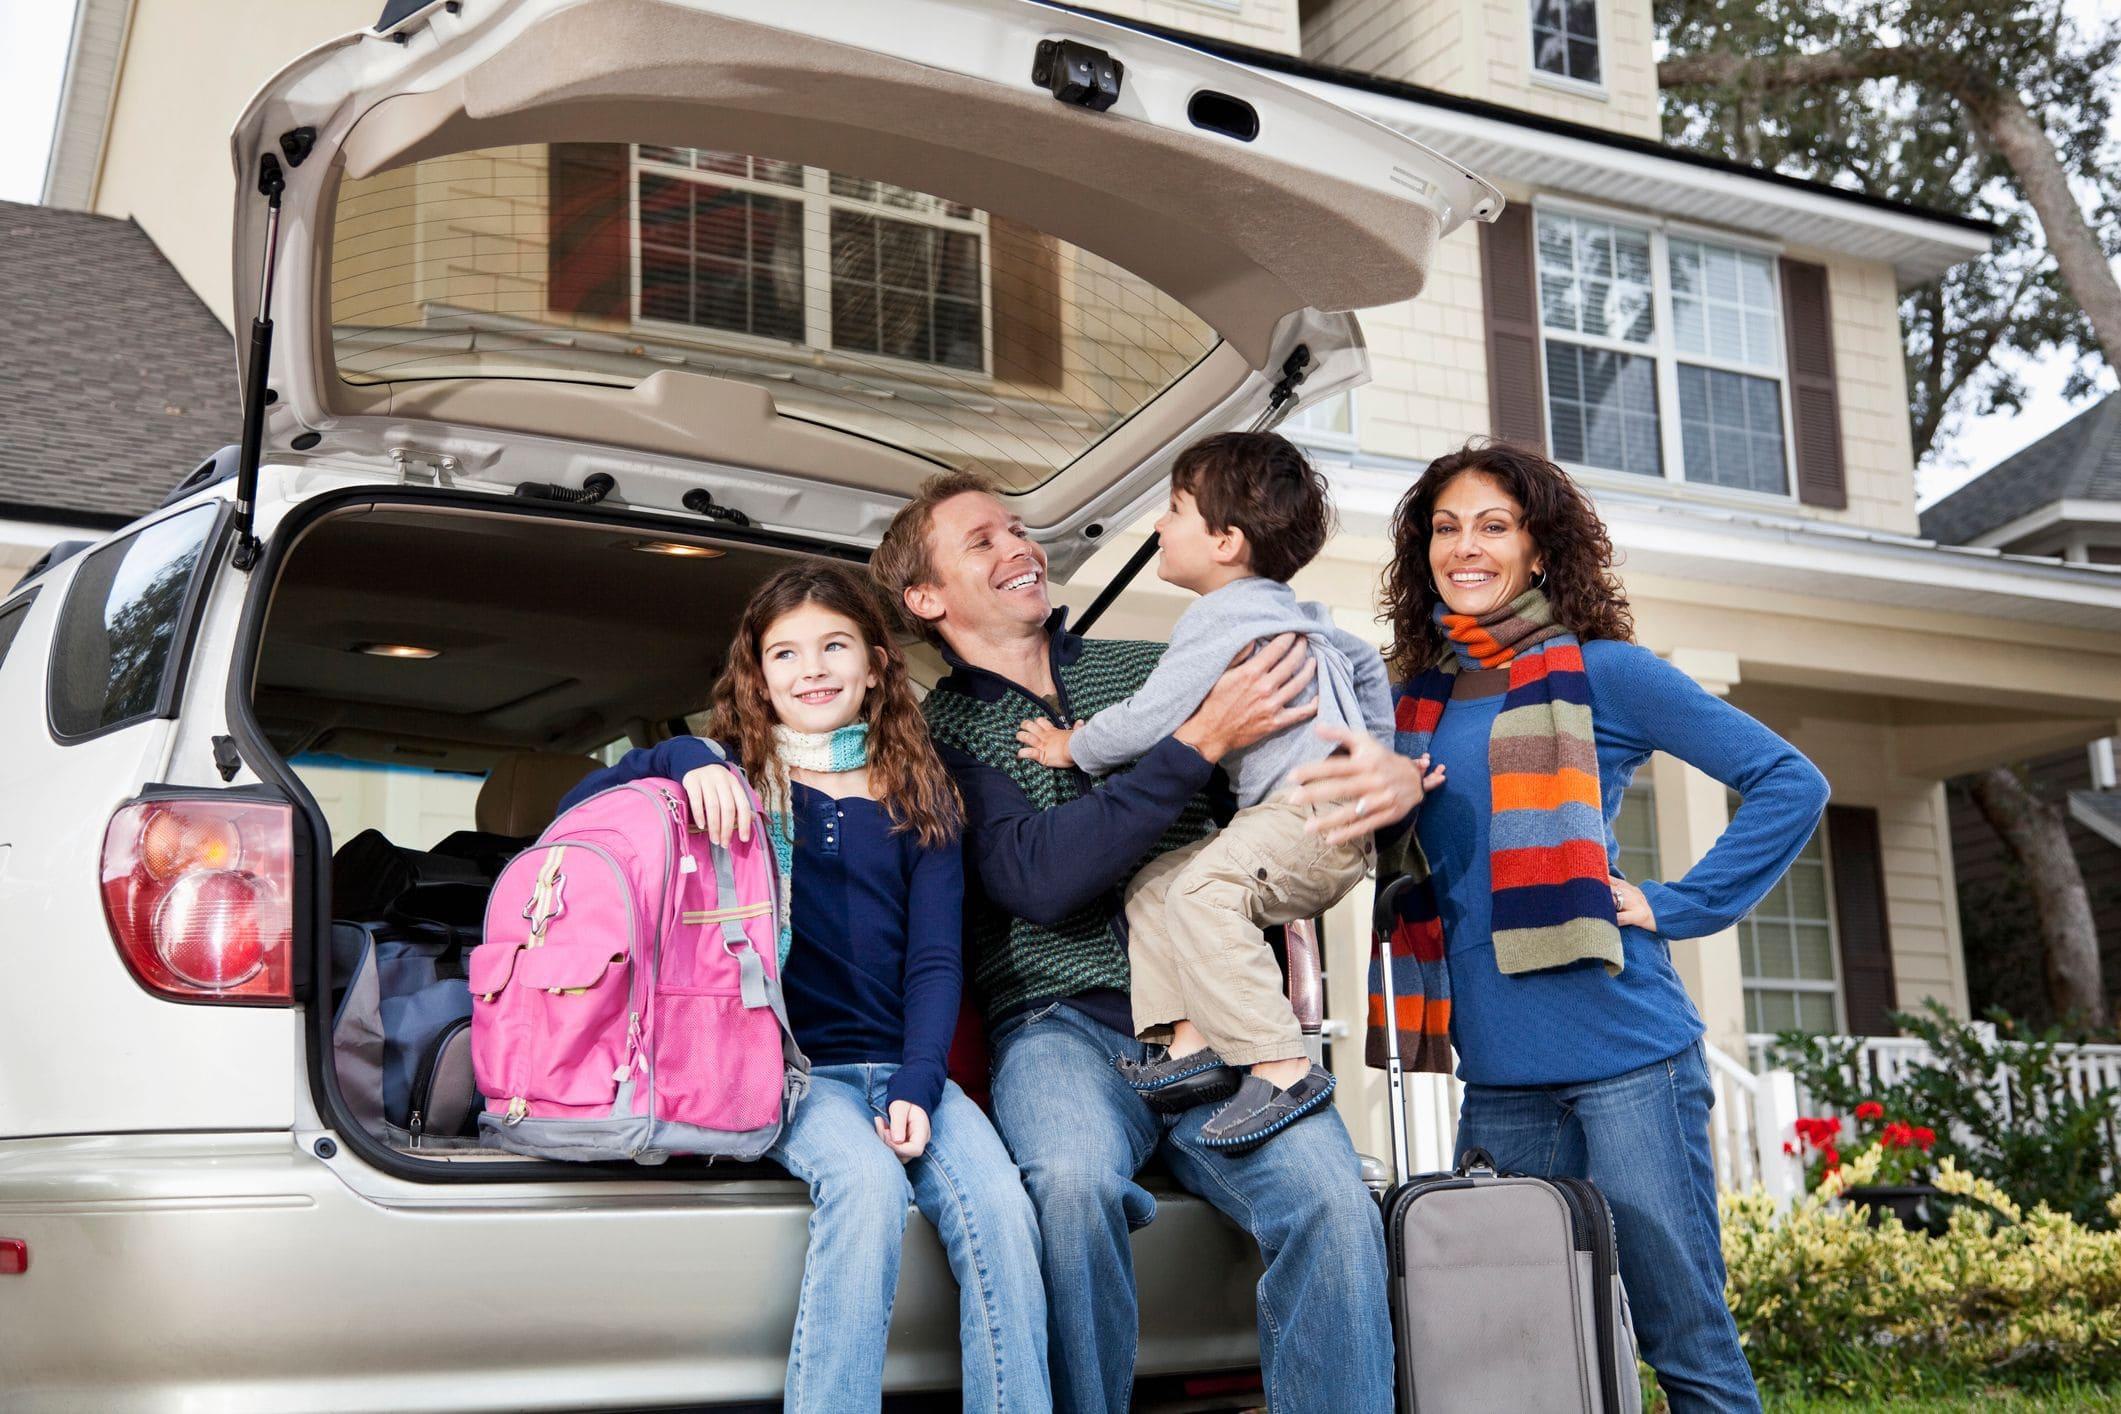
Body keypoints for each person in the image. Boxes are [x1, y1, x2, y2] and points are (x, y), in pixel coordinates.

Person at [872, 469, 1428, 1414]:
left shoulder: (1156, 666)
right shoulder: (935, 736)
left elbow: (1298, 785)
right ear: (926, 599)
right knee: (1070, 1186)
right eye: (982, 541)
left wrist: (1388, 780)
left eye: (1018, 528)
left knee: (1335, 1207)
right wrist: (1194, 745)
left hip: (1221, 1022)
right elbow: (1034, 879)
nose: (1019, 547)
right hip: (1062, 1025)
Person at [1361, 439, 1828, 1414]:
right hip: (1498, 1070)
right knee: (1515, 1348)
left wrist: (1676, 902)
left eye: (1494, 524)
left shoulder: (1607, 673)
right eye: (1446, 527)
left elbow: (1791, 781)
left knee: (1683, 1334)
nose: (1466, 545)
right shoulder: (1418, 699)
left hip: (1627, 1055)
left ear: (1540, 549)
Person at [558, 560, 1048, 1414]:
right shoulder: (733, 779)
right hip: (788, 1071)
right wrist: (680, 760)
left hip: (900, 1062)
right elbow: (580, 808)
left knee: (1004, 1215)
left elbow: (935, 960)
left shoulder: (921, 794)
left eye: (833, 647)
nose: (810, 670)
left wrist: (919, 1085)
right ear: (757, 673)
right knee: (865, 1188)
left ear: (873, 666)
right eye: (784, 654)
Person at [1014, 433, 1392, 1150]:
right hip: (1329, 819)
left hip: (1302, 818)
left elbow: (1152, 717)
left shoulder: (1220, 619)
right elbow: (1367, 665)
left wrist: (1072, 744)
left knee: (1199, 892)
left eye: (1175, 509)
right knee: (1156, 884)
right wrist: (1377, 761)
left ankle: (1281, 1065)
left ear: (1225, 542)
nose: (1159, 524)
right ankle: (1189, 1044)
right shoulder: (1300, 615)